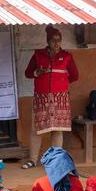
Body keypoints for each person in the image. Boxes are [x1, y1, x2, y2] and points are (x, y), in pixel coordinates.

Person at [22, 25, 79, 169]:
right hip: (42, 98)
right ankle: (33, 160)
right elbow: (28, 73)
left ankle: (55, 160)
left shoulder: (66, 56)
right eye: (53, 40)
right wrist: (37, 73)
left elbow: (75, 76)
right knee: (36, 129)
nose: (56, 43)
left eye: (59, 40)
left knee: (57, 129)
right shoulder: (38, 55)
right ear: (48, 41)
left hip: (60, 99)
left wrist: (61, 85)